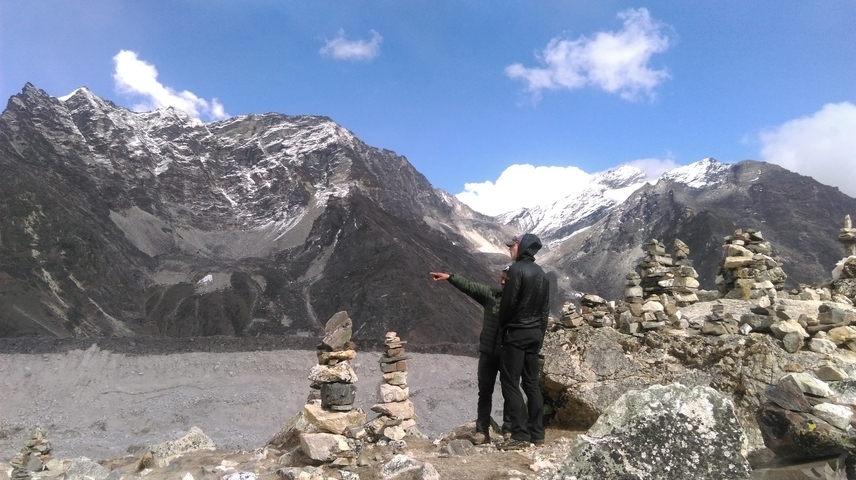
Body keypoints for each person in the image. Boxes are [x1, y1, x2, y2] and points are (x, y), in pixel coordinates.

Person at [429, 267, 511, 444]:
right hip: (487, 353)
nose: (502, 282)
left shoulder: (518, 304)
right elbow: (470, 286)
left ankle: (509, 430)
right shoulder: (491, 295)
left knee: (509, 392)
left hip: (507, 354)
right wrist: (451, 277)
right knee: (484, 392)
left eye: (506, 279)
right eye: (501, 278)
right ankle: (482, 431)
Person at [496, 233, 550, 450]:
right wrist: (540, 334)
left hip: (517, 333)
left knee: (510, 383)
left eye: (512, 247)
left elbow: (507, 305)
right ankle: (537, 433)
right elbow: (545, 310)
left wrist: (504, 327)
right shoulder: (542, 274)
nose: (509, 249)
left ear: (523, 247)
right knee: (531, 384)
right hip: (535, 334)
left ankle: (520, 434)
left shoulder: (516, 271)